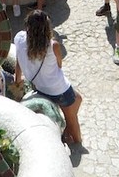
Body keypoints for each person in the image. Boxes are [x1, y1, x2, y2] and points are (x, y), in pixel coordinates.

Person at [14, 10, 83, 144]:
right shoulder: (53, 46)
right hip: (58, 90)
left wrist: (17, 79)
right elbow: (59, 65)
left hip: (40, 87)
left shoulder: (19, 38)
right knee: (72, 118)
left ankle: (67, 132)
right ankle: (77, 142)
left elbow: (18, 60)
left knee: (78, 98)